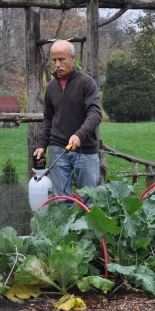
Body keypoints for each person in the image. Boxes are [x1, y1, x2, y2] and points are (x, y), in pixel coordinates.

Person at [33, 39, 102, 205]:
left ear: (72, 58)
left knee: (89, 200)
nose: (57, 64)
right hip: (58, 149)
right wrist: (42, 145)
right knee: (62, 201)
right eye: (54, 60)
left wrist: (79, 135)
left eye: (61, 59)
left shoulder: (86, 83)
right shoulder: (50, 88)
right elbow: (49, 118)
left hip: (85, 149)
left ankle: (87, 231)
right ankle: (66, 231)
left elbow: (95, 113)